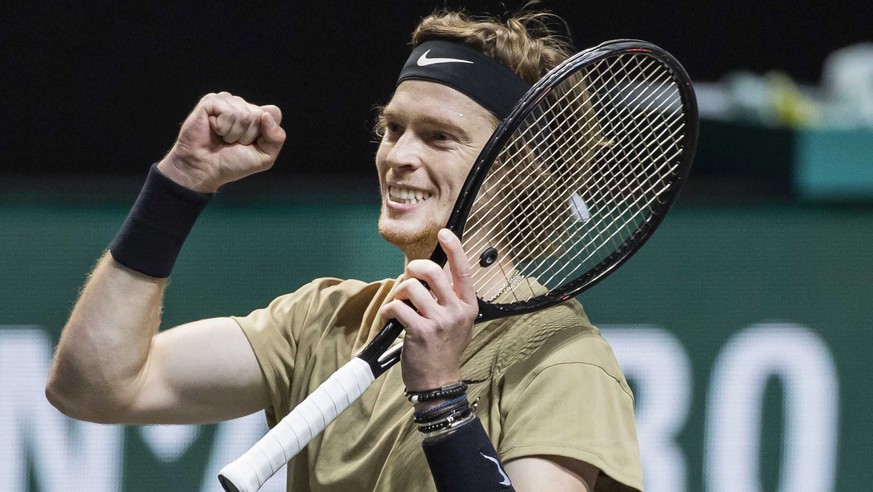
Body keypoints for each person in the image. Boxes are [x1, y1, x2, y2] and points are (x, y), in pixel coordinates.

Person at [46, 8, 643, 492]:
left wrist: (439, 394)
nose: (398, 154)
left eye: (438, 137)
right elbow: (93, 387)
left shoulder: (562, 359)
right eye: (392, 128)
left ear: (516, 170)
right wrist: (179, 185)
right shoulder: (322, 320)